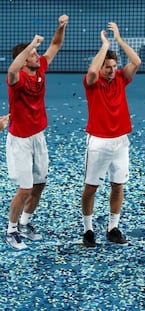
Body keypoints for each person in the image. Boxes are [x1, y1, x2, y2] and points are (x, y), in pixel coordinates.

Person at [4, 15, 69, 250]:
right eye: (32, 54)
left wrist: (61, 27)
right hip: (20, 140)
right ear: (24, 61)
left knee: (40, 184)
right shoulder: (16, 78)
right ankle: (11, 230)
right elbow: (11, 69)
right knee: (25, 188)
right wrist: (31, 44)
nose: (36, 56)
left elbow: (55, 45)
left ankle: (25, 223)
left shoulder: (40, 67)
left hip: (37, 136)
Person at [81, 22, 141, 248]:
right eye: (107, 66)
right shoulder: (92, 83)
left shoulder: (121, 79)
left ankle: (112, 227)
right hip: (98, 142)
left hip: (120, 142)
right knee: (91, 189)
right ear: (101, 67)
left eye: (114, 66)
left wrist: (119, 39)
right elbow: (91, 73)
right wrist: (104, 45)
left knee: (118, 185)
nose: (112, 70)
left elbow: (136, 62)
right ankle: (88, 230)